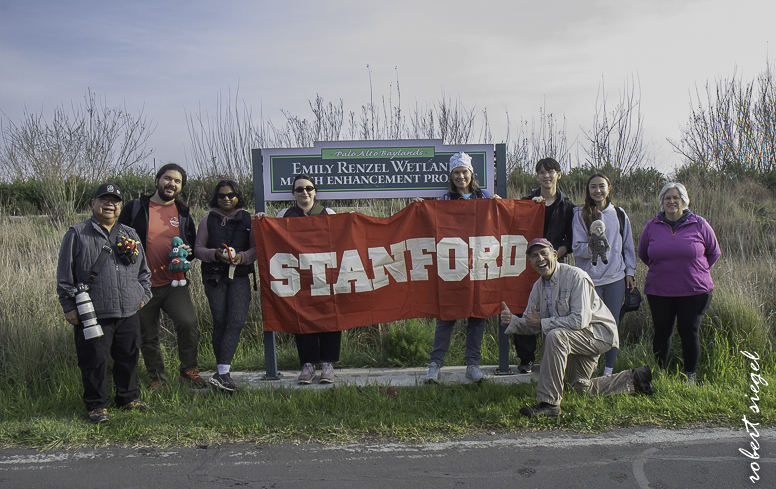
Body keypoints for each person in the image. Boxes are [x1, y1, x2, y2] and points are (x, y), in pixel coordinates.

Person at [500, 238, 653, 417]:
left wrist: (542, 323)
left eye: (544, 253)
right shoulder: (537, 288)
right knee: (580, 388)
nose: (540, 258)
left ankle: (549, 403)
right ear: (531, 262)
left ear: (555, 255)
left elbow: (580, 320)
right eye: (534, 256)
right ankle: (635, 378)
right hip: (575, 338)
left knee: (555, 336)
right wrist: (513, 321)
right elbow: (532, 324)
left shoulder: (576, 276)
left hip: (598, 334)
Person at [57, 183, 152, 423]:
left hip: (129, 310)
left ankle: (128, 397)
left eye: (115, 201)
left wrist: (143, 296)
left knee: (128, 356)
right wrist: (69, 307)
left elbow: (144, 272)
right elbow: (64, 274)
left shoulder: (130, 234)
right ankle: (97, 405)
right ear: (93, 203)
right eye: (104, 200)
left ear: (120, 206)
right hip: (93, 312)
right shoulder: (77, 233)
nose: (110, 204)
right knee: (94, 359)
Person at [119, 163, 205, 389]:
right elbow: (118, 238)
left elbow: (193, 248)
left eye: (177, 181)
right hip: (142, 284)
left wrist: (187, 252)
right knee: (148, 333)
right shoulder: (136, 207)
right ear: (157, 180)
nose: (172, 184)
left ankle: (189, 371)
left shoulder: (183, 212)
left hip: (174, 283)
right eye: (168, 178)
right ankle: (157, 379)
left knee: (188, 323)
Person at [424, 151, 501, 384]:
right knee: (446, 316)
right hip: (453, 265)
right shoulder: (445, 201)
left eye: (464, 172)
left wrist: (499, 205)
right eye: (456, 173)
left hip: (478, 264)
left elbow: (497, 220)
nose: (460, 177)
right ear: (451, 175)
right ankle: (435, 365)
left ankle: (472, 364)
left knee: (477, 315)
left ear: (471, 174)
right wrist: (421, 208)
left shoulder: (483, 196)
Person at [257, 174, 338, 384]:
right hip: (297, 276)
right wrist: (262, 221)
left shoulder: (328, 213)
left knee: (330, 317)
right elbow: (273, 238)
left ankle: (328, 364)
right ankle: (308, 365)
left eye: (308, 188)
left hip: (324, 274)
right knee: (302, 319)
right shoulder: (285, 214)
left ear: (315, 191)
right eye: (300, 189)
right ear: (293, 193)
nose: (305, 193)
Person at [638, 182, 720, 384]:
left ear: (684, 201)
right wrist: (666, 269)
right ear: (661, 203)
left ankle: (690, 376)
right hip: (659, 290)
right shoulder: (652, 226)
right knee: (662, 331)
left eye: (676, 197)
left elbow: (714, 252)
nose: (671, 201)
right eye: (667, 198)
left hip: (694, 290)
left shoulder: (699, 223)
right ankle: (660, 374)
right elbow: (643, 254)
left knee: (689, 331)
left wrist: (695, 270)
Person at [513, 157, 575, 374]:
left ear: (558, 174)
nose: (546, 176)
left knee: (554, 309)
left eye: (550, 171)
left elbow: (571, 239)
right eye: (541, 172)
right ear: (537, 176)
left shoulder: (567, 206)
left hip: (553, 268)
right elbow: (510, 225)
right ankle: (526, 359)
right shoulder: (526, 201)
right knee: (524, 307)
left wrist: (557, 256)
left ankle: (555, 357)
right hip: (527, 265)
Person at [194, 180, 257, 392]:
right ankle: (222, 373)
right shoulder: (206, 220)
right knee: (220, 321)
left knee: (237, 321)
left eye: (231, 195)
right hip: (214, 278)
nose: (226, 199)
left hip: (239, 277)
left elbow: (256, 248)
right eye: (221, 196)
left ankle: (221, 373)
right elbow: (198, 249)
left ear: (238, 196)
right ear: (216, 198)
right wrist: (214, 254)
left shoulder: (248, 219)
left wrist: (243, 257)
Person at [571, 172, 637, 376]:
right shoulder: (580, 213)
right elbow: (576, 247)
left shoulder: (619, 214)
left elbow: (627, 245)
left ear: (609, 189)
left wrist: (630, 272)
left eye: (601, 186)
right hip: (589, 279)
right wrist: (592, 246)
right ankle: (587, 370)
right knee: (589, 326)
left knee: (612, 325)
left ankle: (608, 372)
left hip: (615, 278)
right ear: (588, 190)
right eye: (593, 187)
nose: (597, 190)